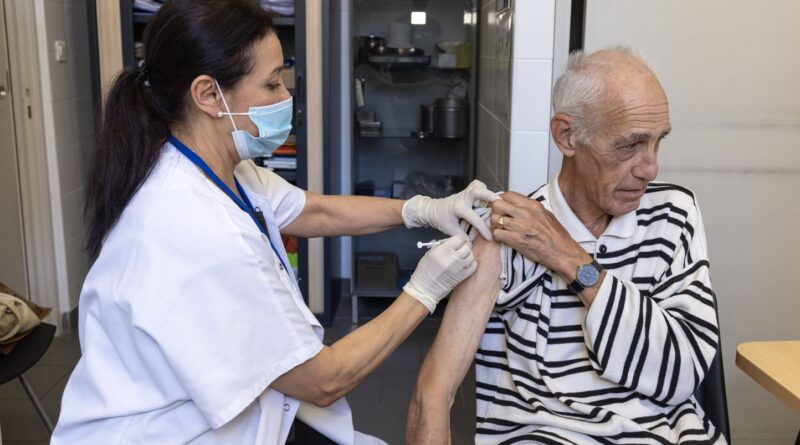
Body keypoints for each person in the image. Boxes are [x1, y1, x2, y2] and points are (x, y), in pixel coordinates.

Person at [50, 1, 498, 444]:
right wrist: (424, 291)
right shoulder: (193, 226)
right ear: (208, 95)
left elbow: (317, 211)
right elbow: (324, 380)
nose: (287, 97)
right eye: (271, 85)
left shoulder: (217, 167)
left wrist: (421, 208)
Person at [406, 47, 726, 444]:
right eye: (630, 145)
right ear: (567, 136)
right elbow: (432, 393)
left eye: (658, 142)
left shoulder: (673, 213)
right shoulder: (507, 231)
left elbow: (680, 376)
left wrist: (569, 257)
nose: (650, 168)